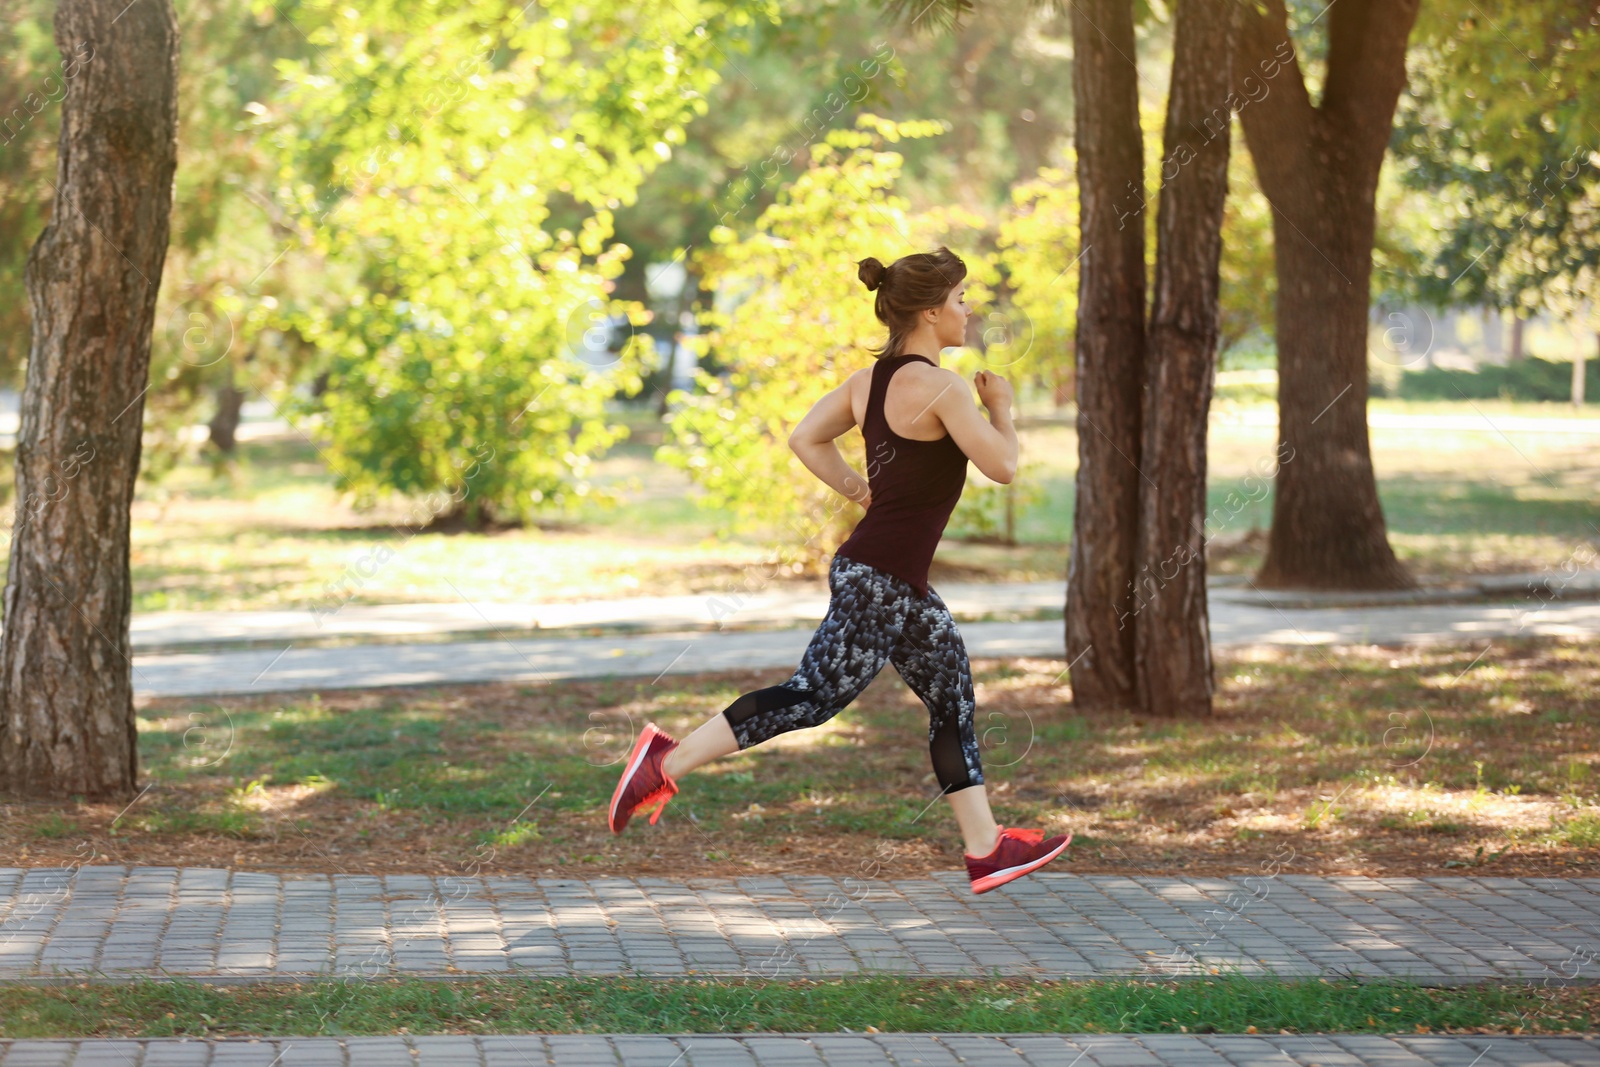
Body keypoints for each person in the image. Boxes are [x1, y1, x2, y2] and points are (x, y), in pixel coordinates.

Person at [608, 246, 1071, 894]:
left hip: (891, 578)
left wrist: (861, 492)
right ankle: (665, 760)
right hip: (879, 579)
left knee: (952, 698)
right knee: (813, 696)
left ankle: (986, 846)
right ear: (932, 311)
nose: (969, 311)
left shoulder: (869, 383)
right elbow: (1004, 465)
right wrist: (1005, 410)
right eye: (962, 299)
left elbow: (805, 437)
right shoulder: (943, 387)